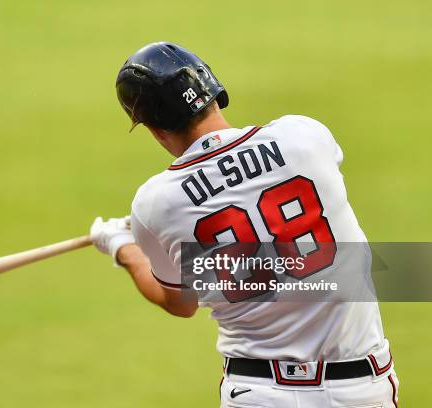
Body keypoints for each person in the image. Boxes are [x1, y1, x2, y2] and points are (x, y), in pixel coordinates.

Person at [90, 42, 399, 407]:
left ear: (155, 130)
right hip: (361, 389)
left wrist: (121, 244)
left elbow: (180, 303)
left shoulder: (155, 204)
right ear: (216, 95)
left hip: (258, 394)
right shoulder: (304, 135)